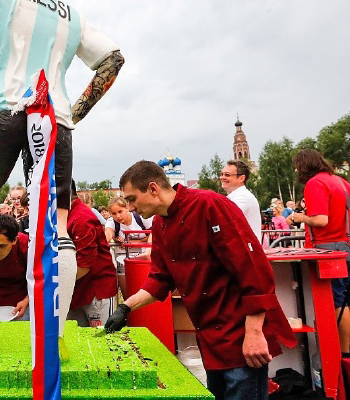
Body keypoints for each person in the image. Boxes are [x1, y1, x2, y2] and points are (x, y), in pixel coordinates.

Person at [0, 0, 124, 360]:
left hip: (5, 104)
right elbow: (113, 60)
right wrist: (76, 111)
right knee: (58, 223)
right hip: (55, 119)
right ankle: (56, 329)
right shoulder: (70, 13)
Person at [104, 161, 296, 399]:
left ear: (153, 188)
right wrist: (125, 307)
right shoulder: (160, 224)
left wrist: (255, 332)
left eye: (132, 199)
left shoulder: (210, 205)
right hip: (208, 335)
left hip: (240, 331)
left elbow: (254, 270)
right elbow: (159, 279)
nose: (131, 208)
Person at [292, 149, 350, 354]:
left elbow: (320, 220)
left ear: (304, 166)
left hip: (326, 251)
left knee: (336, 303)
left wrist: (300, 218)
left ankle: (343, 354)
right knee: (345, 301)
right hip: (345, 246)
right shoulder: (341, 182)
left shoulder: (315, 183)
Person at [66, 181, 118, 328]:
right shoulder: (67, 215)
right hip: (78, 289)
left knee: (101, 339)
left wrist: (57, 283)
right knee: (75, 339)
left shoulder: (81, 218)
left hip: (96, 290)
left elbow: (85, 263)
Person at [104, 196, 151, 298]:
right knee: (128, 295)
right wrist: (106, 240)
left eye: (120, 211)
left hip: (145, 260)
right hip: (123, 261)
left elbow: (155, 232)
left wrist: (137, 242)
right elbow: (108, 233)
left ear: (127, 208)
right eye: (114, 213)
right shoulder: (112, 222)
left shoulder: (140, 218)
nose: (118, 216)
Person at [220, 159, 262, 244]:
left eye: (227, 175)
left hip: (247, 252)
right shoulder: (235, 197)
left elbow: (223, 220)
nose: (222, 177)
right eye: (222, 174)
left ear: (241, 178)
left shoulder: (243, 198)